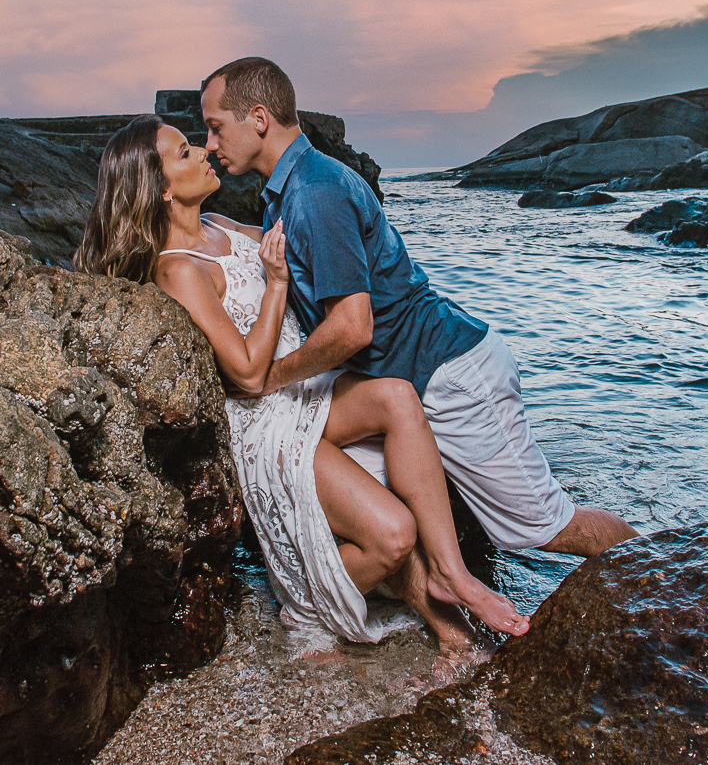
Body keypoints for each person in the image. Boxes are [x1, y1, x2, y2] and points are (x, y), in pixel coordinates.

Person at [74, 115, 529, 652]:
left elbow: (303, 234)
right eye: (184, 153)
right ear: (162, 190)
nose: (203, 152)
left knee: (398, 396)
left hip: (302, 391)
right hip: (262, 419)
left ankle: (451, 573)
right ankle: (306, 605)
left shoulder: (220, 225)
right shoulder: (177, 271)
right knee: (394, 535)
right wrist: (274, 286)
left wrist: (346, 210)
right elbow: (247, 371)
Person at [201, 57, 637, 585]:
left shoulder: (314, 192)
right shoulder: (289, 192)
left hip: (452, 377)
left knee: (548, 528)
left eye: (216, 127)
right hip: (411, 382)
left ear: (259, 118)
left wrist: (268, 379)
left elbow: (352, 327)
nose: (210, 143)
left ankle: (665, 573)